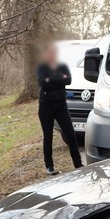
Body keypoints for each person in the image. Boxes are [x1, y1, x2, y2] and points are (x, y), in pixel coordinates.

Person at [37, 42, 83, 175]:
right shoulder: (42, 67)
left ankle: (78, 163)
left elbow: (68, 80)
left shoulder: (62, 65)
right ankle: (49, 166)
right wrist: (59, 78)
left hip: (61, 106)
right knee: (48, 137)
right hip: (46, 106)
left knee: (70, 134)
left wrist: (50, 79)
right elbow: (42, 82)